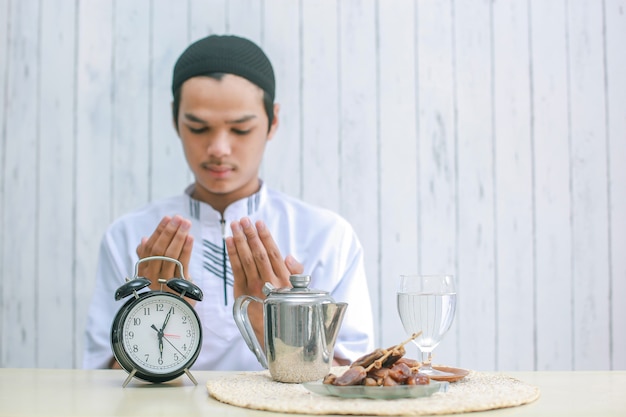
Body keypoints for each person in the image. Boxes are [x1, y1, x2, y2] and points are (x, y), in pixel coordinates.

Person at [83, 34, 374, 371]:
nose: (219, 147)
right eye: (199, 127)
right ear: (175, 120)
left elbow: (355, 378)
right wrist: (154, 314)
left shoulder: (328, 237)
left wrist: (277, 331)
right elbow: (101, 383)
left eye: (240, 129)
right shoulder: (129, 237)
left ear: (272, 121)